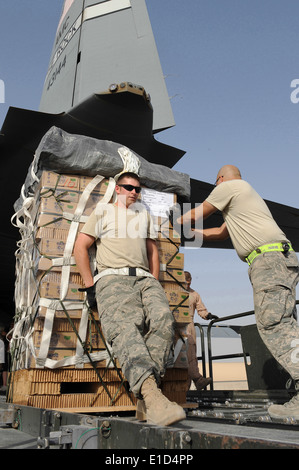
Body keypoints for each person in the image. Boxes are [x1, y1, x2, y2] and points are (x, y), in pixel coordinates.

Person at [178, 164, 299, 419]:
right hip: (275, 259)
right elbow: (221, 234)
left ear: (219, 180)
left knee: (274, 324)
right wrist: (191, 234)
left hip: (268, 261)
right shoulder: (243, 200)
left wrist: (166, 223)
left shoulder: (230, 187)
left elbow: (198, 213)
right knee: (282, 322)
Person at [74, 172, 186, 426]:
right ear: (117, 188)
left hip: (145, 279)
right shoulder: (103, 212)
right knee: (126, 329)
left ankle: (149, 396)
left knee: (165, 321)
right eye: (128, 187)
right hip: (113, 278)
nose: (134, 192)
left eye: (137, 189)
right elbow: (81, 247)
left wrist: (154, 280)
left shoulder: (142, 215)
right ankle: (153, 398)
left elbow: (152, 250)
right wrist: (90, 285)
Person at [184, 271, 212, 390]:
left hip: (189, 325)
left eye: (190, 282)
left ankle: (191, 385)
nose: (188, 285)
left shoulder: (194, 294)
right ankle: (197, 379)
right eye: (186, 282)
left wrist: (208, 315)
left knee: (191, 353)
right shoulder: (173, 293)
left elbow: (201, 309)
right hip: (175, 324)